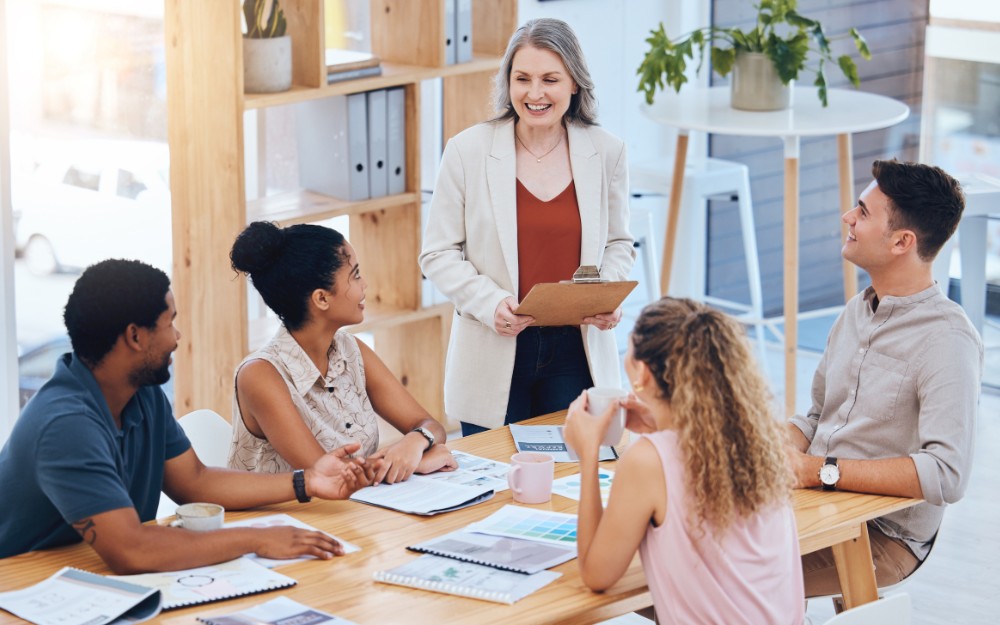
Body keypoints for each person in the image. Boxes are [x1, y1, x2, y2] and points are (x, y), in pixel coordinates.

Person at [0, 259, 376, 572]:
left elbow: (194, 481)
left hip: (84, 576)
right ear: (136, 336)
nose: (177, 337)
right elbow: (132, 550)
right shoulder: (65, 424)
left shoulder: (140, 393)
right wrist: (257, 538)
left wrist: (306, 481)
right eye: (170, 322)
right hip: (22, 587)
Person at [419, 18, 635, 435]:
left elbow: (619, 242)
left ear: (574, 83)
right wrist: (489, 302)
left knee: (571, 476)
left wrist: (605, 291)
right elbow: (438, 252)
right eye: (523, 79)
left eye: (550, 79)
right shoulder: (467, 151)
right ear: (508, 83)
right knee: (495, 481)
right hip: (493, 345)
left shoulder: (607, 151)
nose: (535, 94)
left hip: (577, 349)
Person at [786, 160, 984, 596]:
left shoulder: (948, 340)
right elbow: (818, 416)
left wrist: (820, 471)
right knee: (678, 546)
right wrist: (772, 447)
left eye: (863, 212)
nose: (848, 218)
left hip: (882, 534)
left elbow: (947, 474)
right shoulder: (858, 308)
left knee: (720, 576)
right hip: (817, 503)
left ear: (902, 241)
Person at [564, 297, 804, 624]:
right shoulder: (756, 441)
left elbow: (596, 574)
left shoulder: (647, 460)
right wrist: (661, 423)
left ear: (643, 374)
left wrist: (588, 452)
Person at [228, 221, 456, 484]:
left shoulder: (351, 350)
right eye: (356, 275)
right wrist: (415, 463)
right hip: (282, 520)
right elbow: (332, 476)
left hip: (355, 510)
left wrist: (415, 443)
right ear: (322, 299)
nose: (365, 284)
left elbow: (431, 426)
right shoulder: (260, 376)